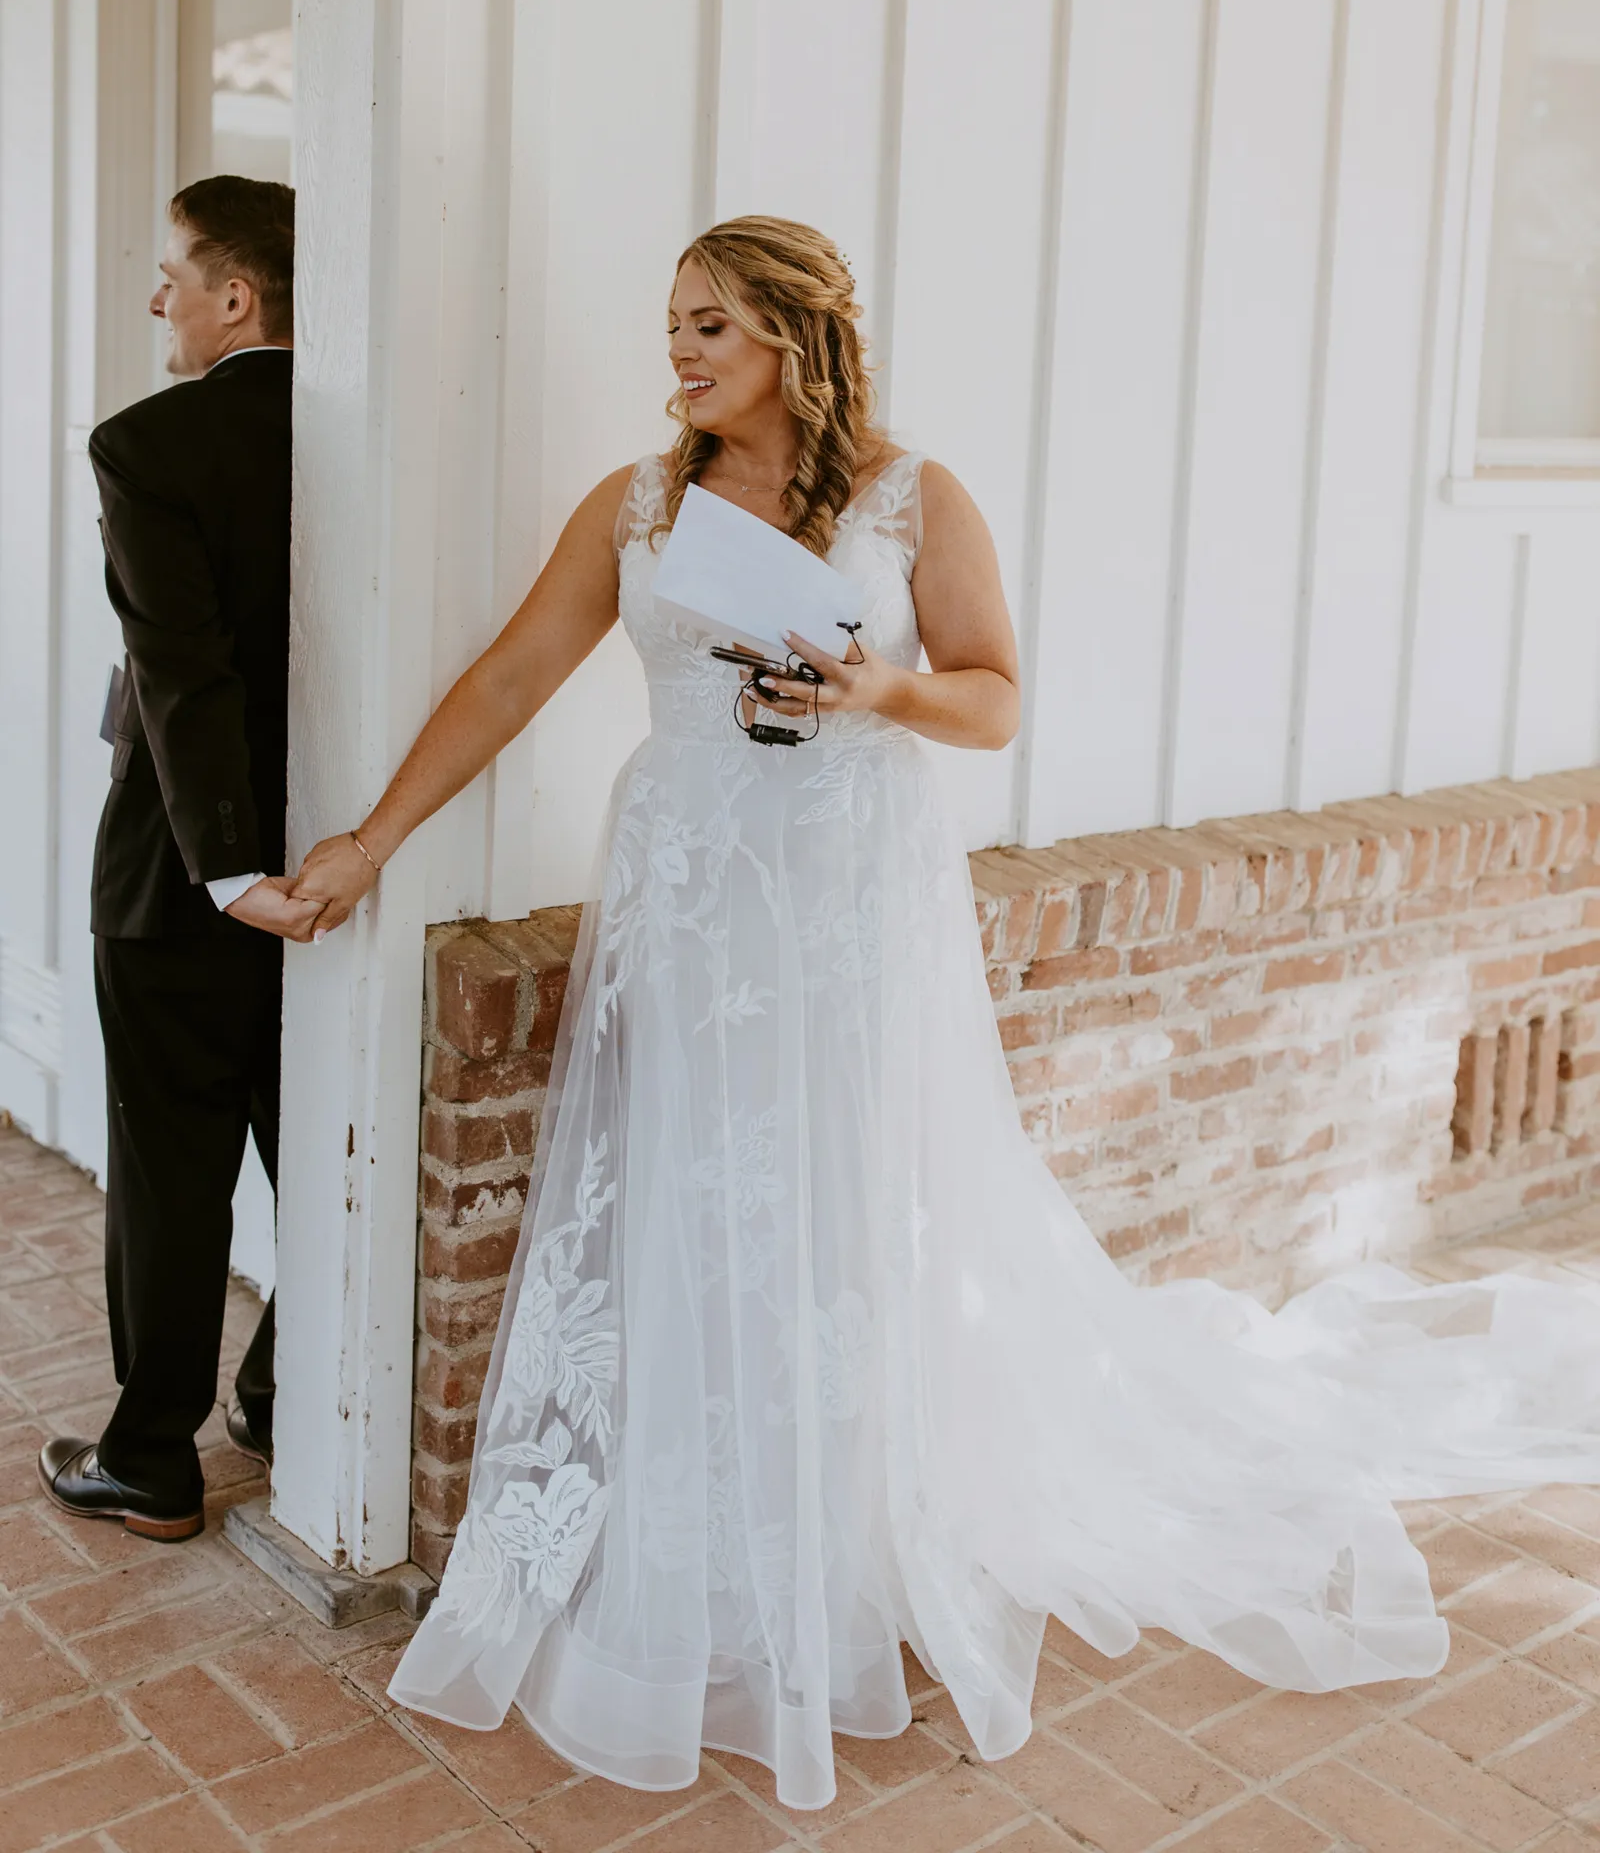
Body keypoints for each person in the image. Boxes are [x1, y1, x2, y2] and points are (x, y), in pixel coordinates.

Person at [292, 217, 1600, 1811]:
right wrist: (370, 839)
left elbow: (992, 694)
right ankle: (693, 1538)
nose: (682, 353)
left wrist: (875, 689)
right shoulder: (638, 504)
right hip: (692, 888)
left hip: (847, 892)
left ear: (794, 334)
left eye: (712, 325)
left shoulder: (911, 499)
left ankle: (842, 1545)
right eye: (673, 327)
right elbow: (510, 677)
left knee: (845, 1206)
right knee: (694, 1197)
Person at [38, 177, 321, 1547]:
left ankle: (153, 1457)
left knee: (170, 1176)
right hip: (336, 878)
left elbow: (181, 667)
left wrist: (220, 867)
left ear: (237, 295)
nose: (157, 298)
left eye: (172, 274)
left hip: (182, 881)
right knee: (317, 1156)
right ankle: (281, 1395)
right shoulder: (360, 435)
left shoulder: (148, 445)